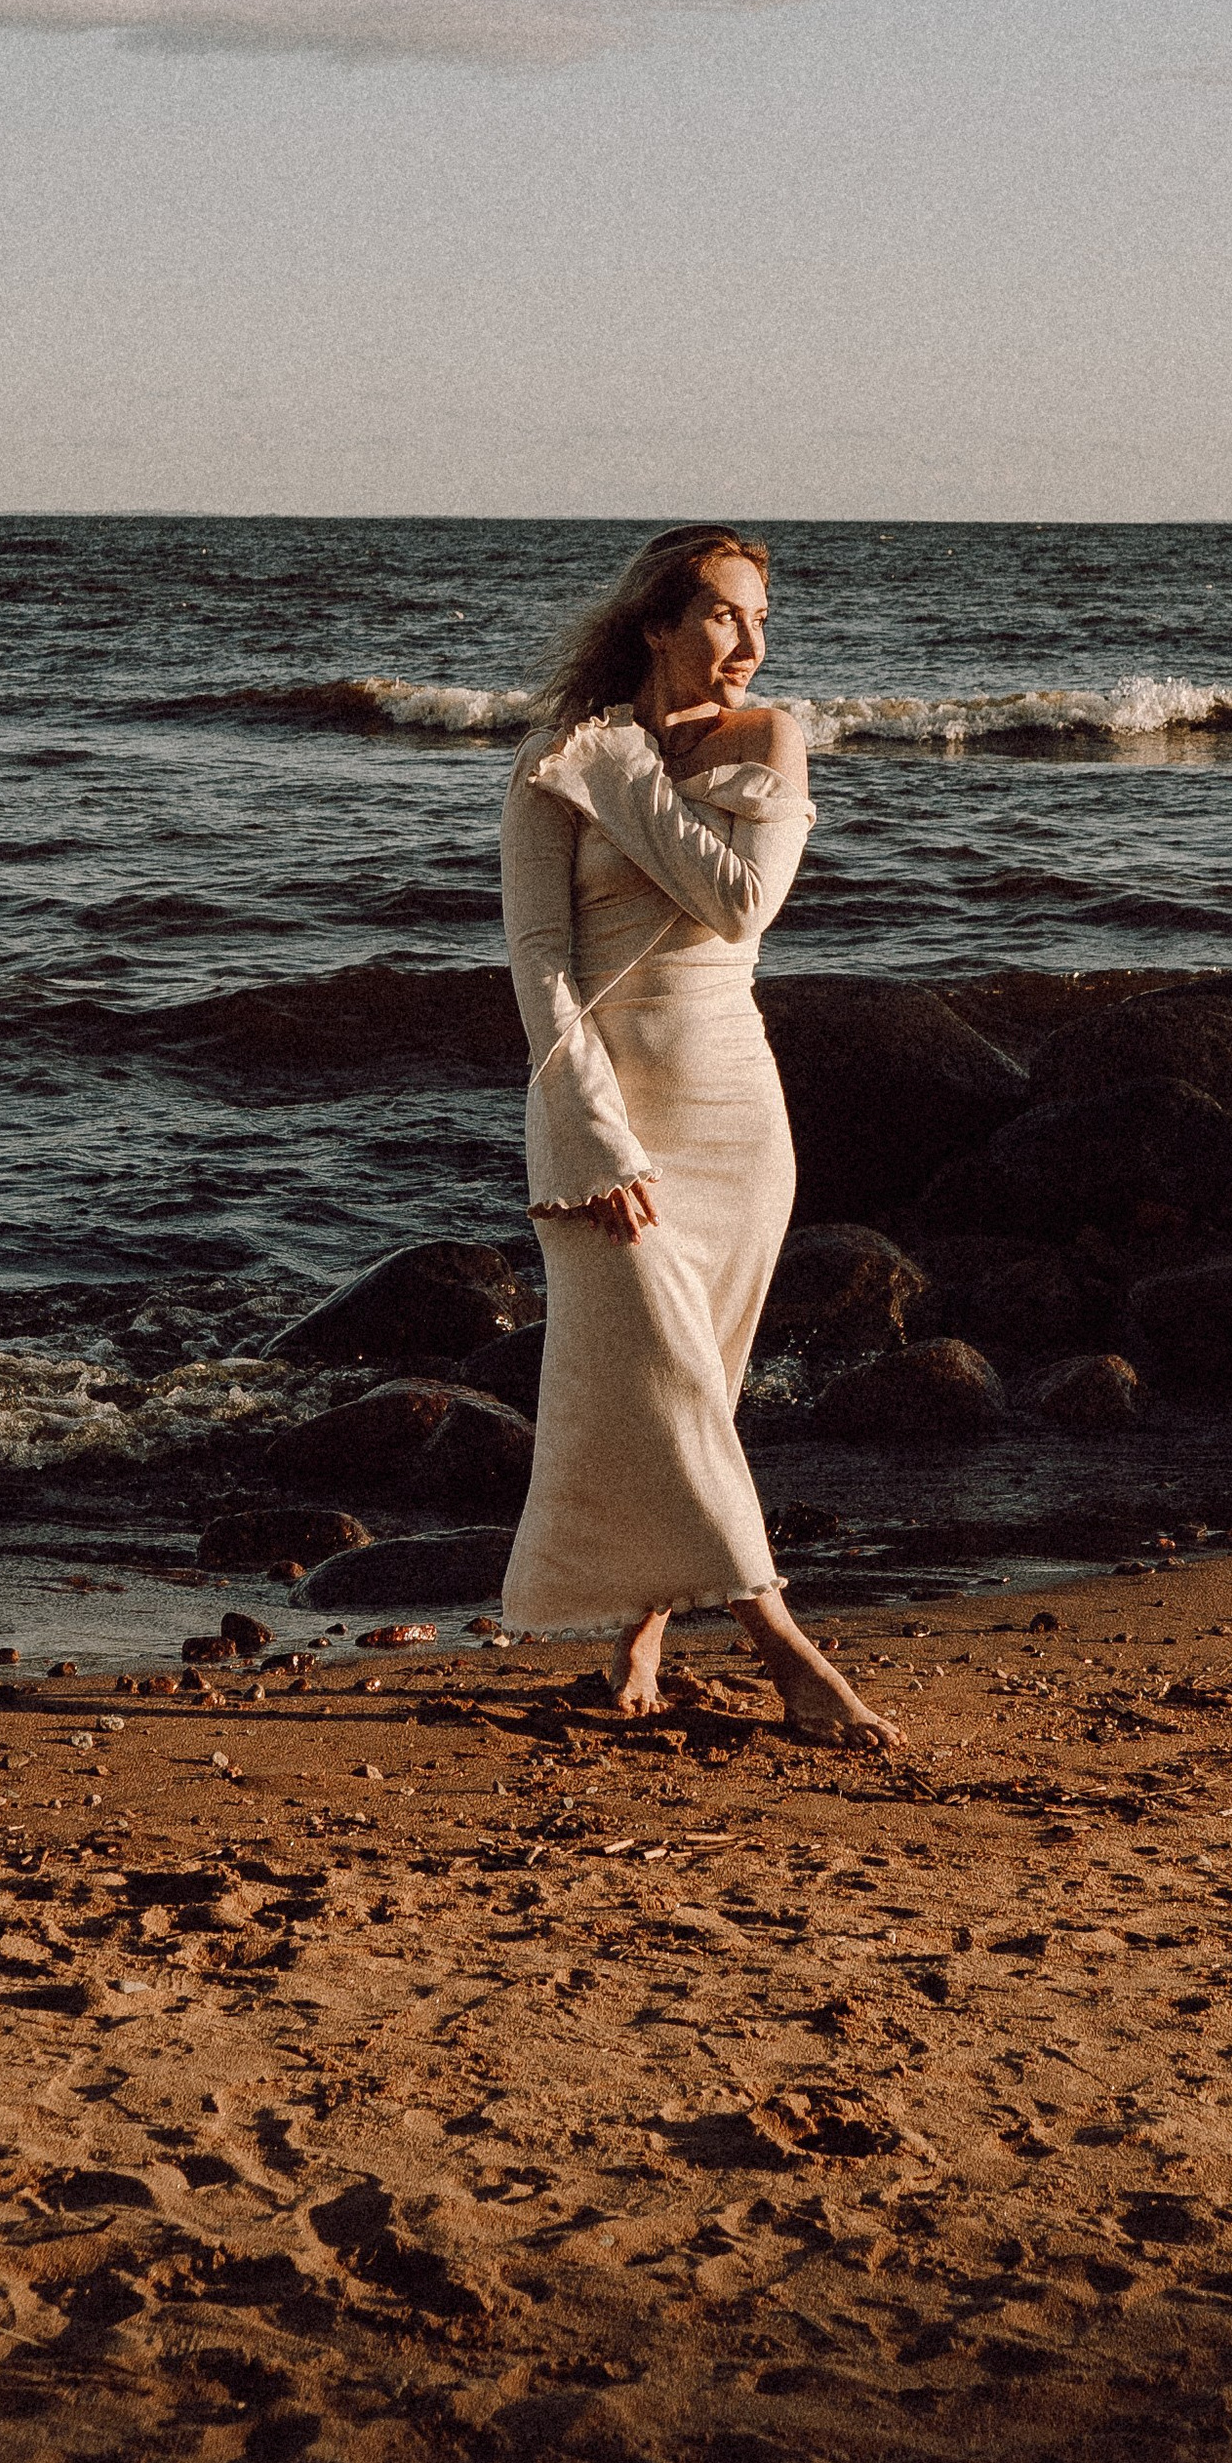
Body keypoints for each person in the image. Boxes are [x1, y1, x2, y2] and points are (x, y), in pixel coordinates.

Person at [497, 524, 898, 1750]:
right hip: (603, 1113)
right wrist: (592, 1137)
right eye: (725, 613)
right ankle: (786, 1651)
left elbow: (741, 904)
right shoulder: (551, 760)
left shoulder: (765, 740)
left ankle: (643, 1636)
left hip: (733, 1110)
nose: (750, 642)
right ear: (657, 623)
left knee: (696, 1385)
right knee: (654, 1371)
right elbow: (541, 966)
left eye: (761, 617)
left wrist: (622, 775)